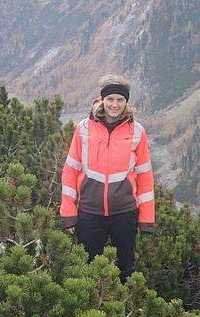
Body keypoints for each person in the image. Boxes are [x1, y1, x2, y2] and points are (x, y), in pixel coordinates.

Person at [60, 75, 155, 284]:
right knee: (88, 268)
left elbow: (145, 178)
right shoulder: (84, 129)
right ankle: (92, 313)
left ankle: (124, 310)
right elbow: (70, 172)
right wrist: (68, 212)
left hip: (125, 213)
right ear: (102, 100)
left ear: (126, 102)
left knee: (126, 270)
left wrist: (147, 219)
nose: (115, 104)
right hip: (89, 213)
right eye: (110, 99)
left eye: (120, 100)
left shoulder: (137, 132)